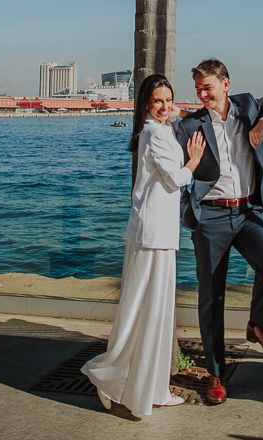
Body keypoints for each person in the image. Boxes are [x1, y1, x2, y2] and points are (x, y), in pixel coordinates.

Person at [82, 74, 205, 418]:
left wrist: (177, 113)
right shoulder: (154, 134)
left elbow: (176, 119)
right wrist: (193, 162)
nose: (165, 107)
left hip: (156, 232)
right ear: (146, 105)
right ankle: (113, 377)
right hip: (153, 235)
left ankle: (149, 388)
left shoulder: (158, 129)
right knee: (148, 311)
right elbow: (175, 179)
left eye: (169, 100)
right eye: (158, 102)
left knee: (152, 312)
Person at [175, 59, 263, 404]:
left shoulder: (249, 106)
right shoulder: (191, 125)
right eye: (198, 89)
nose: (202, 95)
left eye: (207, 88)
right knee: (211, 297)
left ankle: (257, 324)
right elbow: (174, 172)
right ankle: (215, 374)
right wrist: (187, 210)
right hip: (210, 217)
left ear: (226, 84)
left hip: (247, 211)